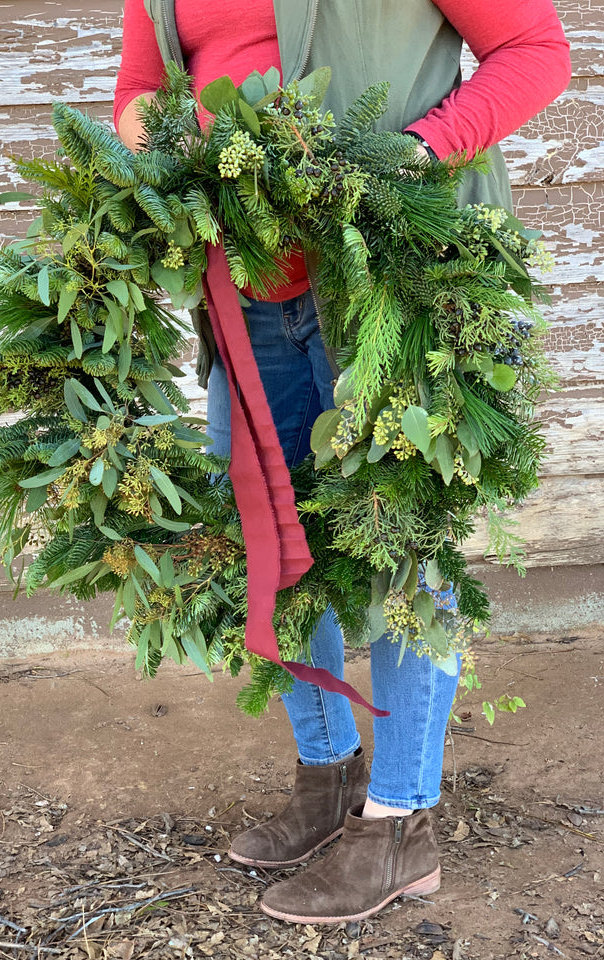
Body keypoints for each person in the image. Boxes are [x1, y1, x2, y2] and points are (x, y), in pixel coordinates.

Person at [114, 0, 571, 924]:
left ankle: (400, 821)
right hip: (246, 293)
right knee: (269, 541)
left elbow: (536, 50)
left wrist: (414, 153)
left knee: (403, 546)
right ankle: (329, 776)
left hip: (387, 283)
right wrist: (177, 157)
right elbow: (140, 91)